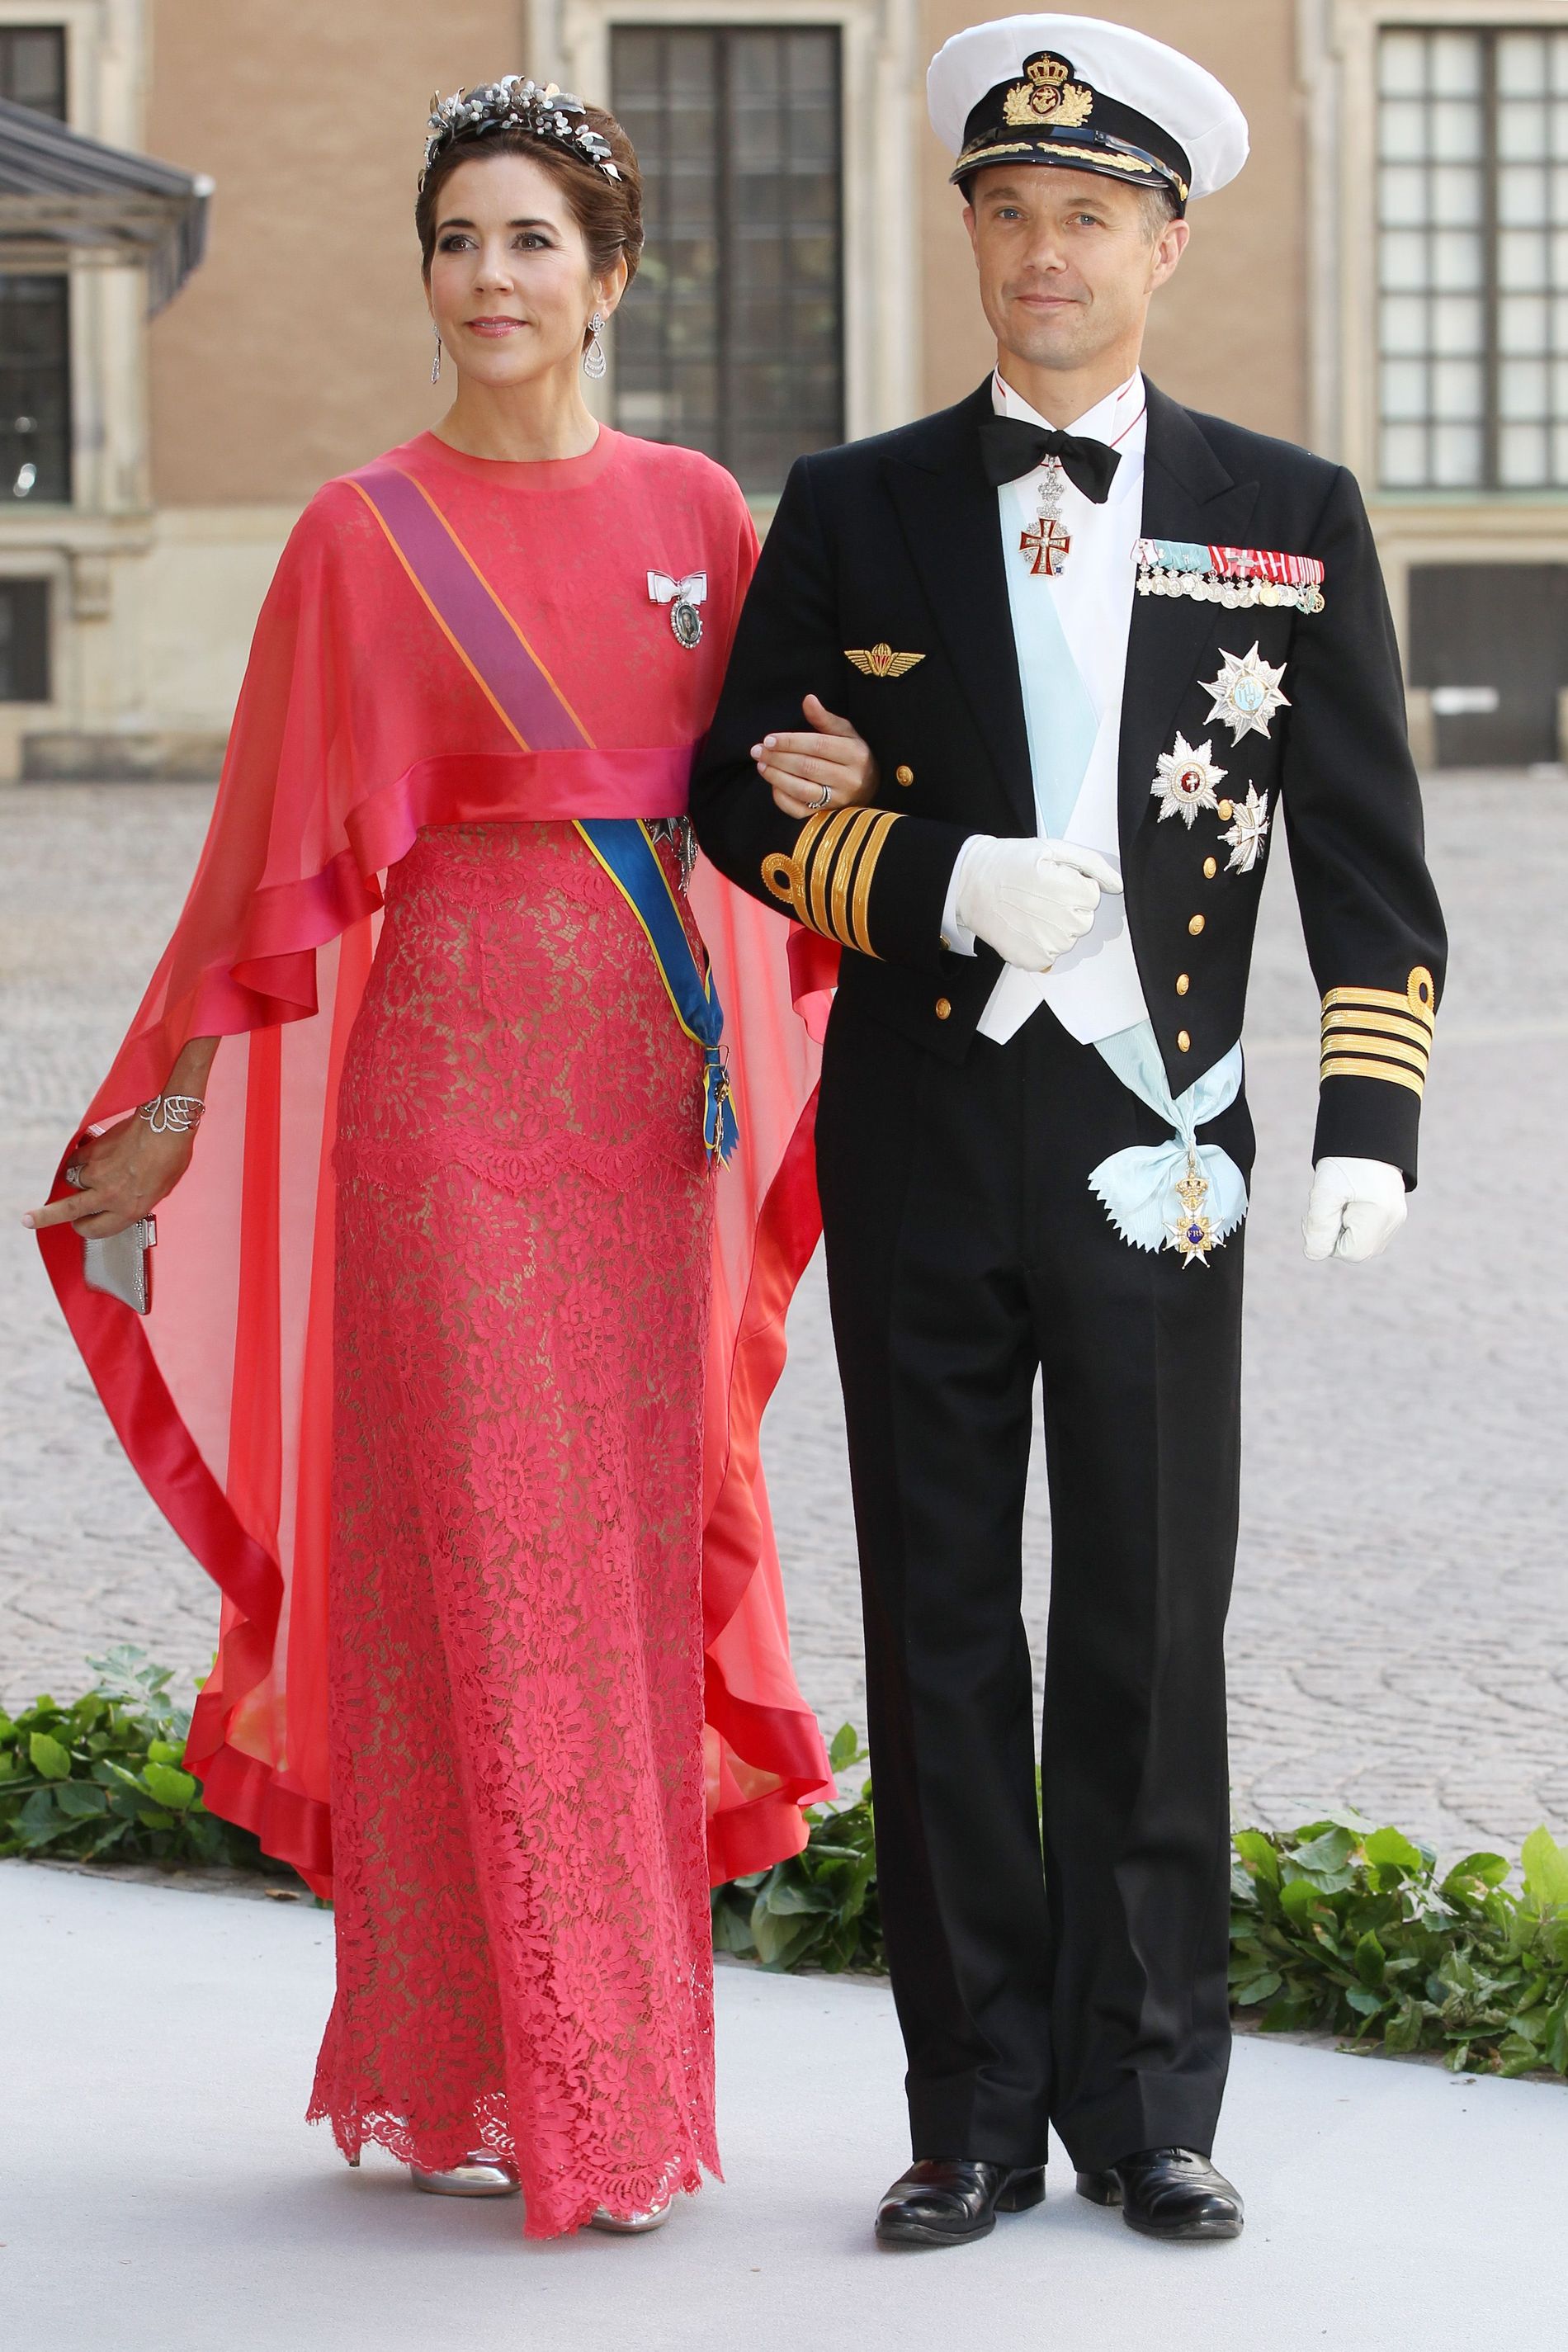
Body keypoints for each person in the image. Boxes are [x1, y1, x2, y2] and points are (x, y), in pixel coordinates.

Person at [26, 77, 873, 2239]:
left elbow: (786, 810)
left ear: (608, 277)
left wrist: (853, 788)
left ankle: (584, 2057)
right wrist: (174, 1105)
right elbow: (264, 854)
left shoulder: (699, 506)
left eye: (527, 240)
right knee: (476, 1567)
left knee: (601, 1574)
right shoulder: (354, 530)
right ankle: (515, 2070)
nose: (486, 279)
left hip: (640, 1102)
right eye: (455, 238)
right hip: (441, 1105)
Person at [692, 14, 1446, 2251]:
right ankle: (969, 2107)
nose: (1045, 251)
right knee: (939, 1630)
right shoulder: (849, 505)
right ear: (973, 237)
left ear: (1163, 243)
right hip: (923, 1138)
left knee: (1145, 1615)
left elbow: (1369, 854)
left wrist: (1370, 1116)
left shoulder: (1283, 512)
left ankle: (1149, 2102)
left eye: (1089, 216)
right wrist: (932, 877)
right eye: (1009, 213)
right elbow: (734, 790)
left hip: (1166, 1143)